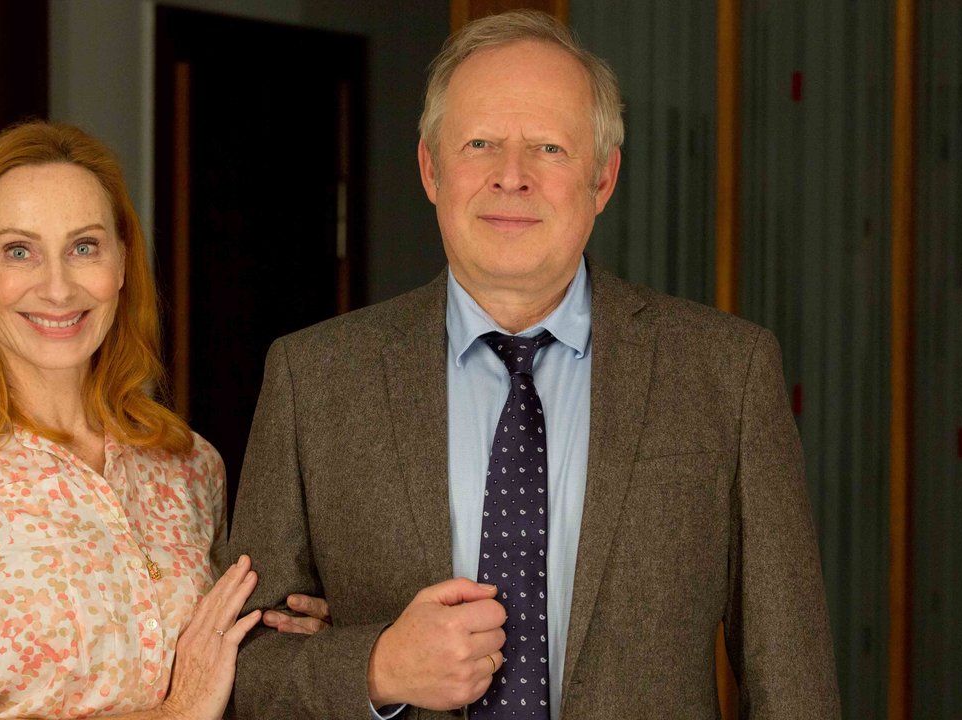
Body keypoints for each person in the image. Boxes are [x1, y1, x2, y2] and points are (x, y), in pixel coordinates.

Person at [227, 10, 839, 719]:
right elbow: (243, 668)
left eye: (549, 148)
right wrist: (377, 667)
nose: (511, 177)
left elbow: (793, 683)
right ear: (430, 168)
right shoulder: (314, 380)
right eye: (479, 144)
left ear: (603, 178)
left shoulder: (727, 375)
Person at [0, 122, 324, 720]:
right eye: (18, 250)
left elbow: (229, 676)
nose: (58, 288)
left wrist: (300, 648)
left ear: (122, 261)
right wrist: (177, 713)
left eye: (84, 248)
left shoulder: (189, 464)